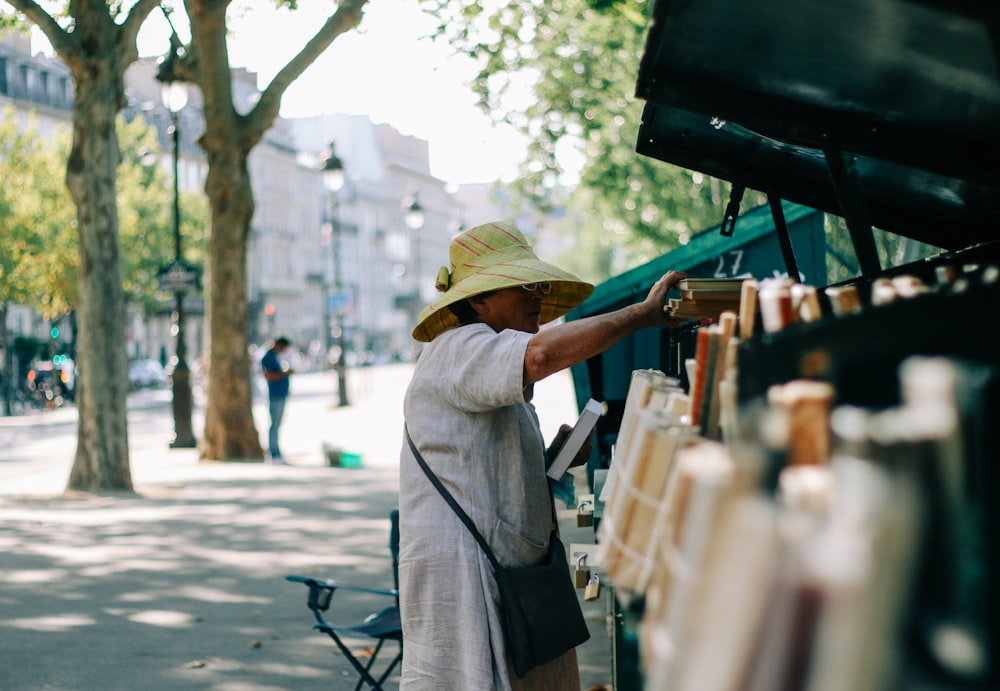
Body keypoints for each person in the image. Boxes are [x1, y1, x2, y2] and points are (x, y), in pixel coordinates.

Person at [398, 221, 687, 690]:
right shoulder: (457, 347)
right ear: (479, 301)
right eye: (524, 286)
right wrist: (642, 314)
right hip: (466, 572)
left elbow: (493, 472)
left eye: (539, 285)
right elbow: (537, 357)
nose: (539, 295)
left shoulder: (487, 358)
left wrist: (555, 459)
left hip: (511, 570)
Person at [261, 336, 294, 464]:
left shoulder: (275, 356)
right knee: (274, 424)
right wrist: (285, 374)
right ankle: (274, 453)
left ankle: (276, 451)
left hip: (280, 394)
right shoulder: (268, 357)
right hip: (275, 395)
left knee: (277, 424)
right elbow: (269, 375)